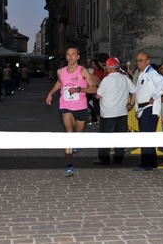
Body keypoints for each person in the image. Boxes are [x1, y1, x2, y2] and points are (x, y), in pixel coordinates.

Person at [46, 46, 97, 177]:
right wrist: (51, 93)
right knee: (69, 132)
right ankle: (69, 165)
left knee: (77, 134)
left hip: (80, 107)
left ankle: (76, 142)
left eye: (73, 54)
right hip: (66, 105)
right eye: (68, 54)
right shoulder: (60, 71)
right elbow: (59, 82)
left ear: (78, 57)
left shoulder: (83, 71)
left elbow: (94, 89)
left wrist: (80, 90)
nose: (70, 56)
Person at [94, 57, 136, 164]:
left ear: (108, 67)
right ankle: (118, 158)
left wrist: (95, 88)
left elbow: (98, 96)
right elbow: (134, 92)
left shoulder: (106, 80)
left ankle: (104, 158)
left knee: (106, 137)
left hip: (108, 113)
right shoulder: (125, 78)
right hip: (122, 112)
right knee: (120, 136)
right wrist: (130, 104)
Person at [133, 52, 163, 171]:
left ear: (148, 61)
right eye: (137, 60)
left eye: (141, 60)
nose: (139, 62)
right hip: (143, 109)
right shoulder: (142, 74)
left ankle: (146, 163)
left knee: (146, 137)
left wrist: (154, 96)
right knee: (148, 136)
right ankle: (151, 161)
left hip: (149, 108)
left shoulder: (151, 73)